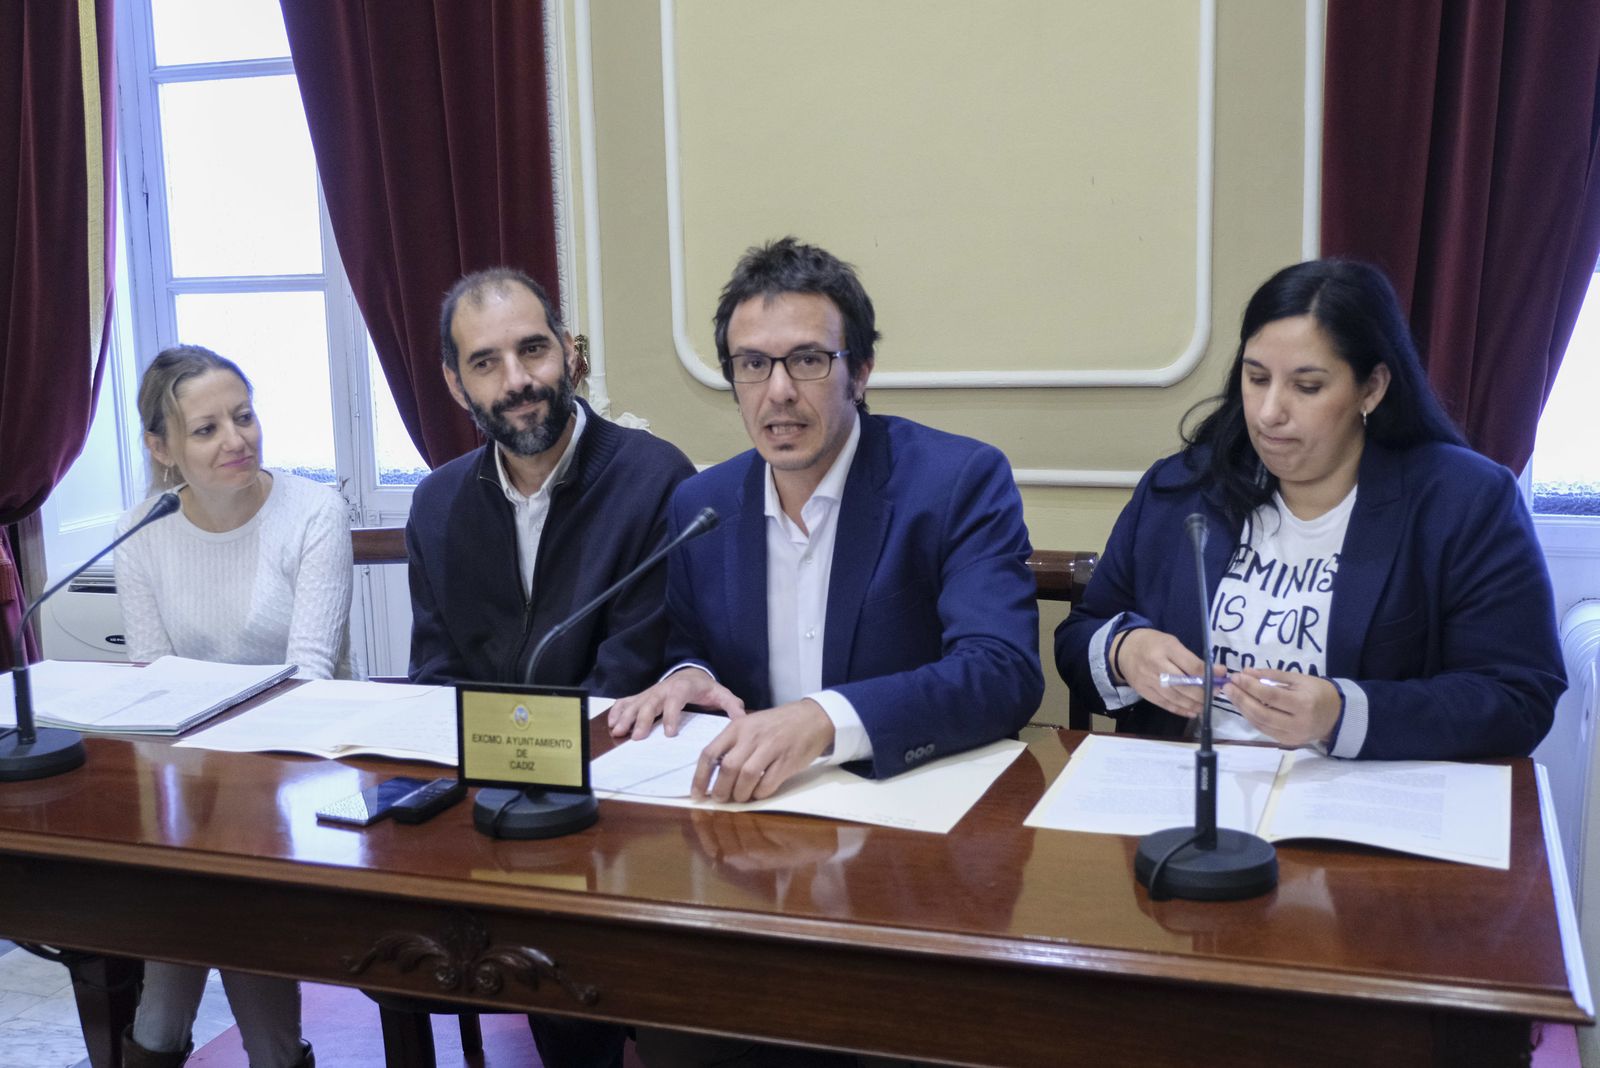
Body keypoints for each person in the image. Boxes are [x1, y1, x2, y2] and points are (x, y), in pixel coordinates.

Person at [1055, 259, 1564, 760]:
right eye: (1256, 379)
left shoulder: (1464, 500)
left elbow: (1518, 697)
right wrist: (1125, 652)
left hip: (1358, 805)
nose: (1270, 412)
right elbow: (1080, 636)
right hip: (1187, 795)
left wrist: (1341, 714)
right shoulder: (1181, 487)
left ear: (1372, 387)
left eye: (1307, 387)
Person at [609, 236, 1043, 802]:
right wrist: (693, 676)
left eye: (809, 360)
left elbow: (1000, 670)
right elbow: (690, 646)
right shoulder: (701, 506)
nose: (779, 392)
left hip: (912, 807)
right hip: (759, 811)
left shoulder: (956, 482)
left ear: (860, 374)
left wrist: (823, 720)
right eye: (754, 365)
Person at [403, 267, 693, 1068]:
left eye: (533, 350)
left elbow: (629, 682)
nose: (518, 381)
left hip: (624, 815)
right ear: (454, 382)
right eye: (486, 362)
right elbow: (434, 680)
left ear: (569, 352)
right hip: (489, 810)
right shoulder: (436, 505)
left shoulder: (653, 478)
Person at [115, 344, 350, 1067]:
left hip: (299, 773)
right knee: (198, 906)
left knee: (213, 904)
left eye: (243, 417)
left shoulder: (313, 510)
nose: (236, 440)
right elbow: (151, 682)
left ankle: (229, 1051)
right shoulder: (143, 530)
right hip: (189, 785)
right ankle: (264, 1054)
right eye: (207, 428)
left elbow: (306, 677)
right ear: (162, 449)